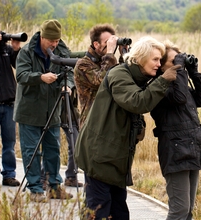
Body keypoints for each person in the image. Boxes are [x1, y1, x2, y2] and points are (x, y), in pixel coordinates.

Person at [74, 36, 180, 220]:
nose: (158, 64)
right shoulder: (119, 74)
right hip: (100, 156)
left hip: (114, 159)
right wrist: (163, 80)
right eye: (155, 59)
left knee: (119, 213)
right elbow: (136, 102)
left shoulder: (137, 78)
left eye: (160, 60)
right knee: (97, 212)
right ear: (140, 58)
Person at [150, 40, 201, 220]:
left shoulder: (181, 84)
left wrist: (194, 73)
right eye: (173, 62)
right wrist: (180, 71)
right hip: (175, 150)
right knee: (179, 209)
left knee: (188, 209)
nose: (179, 66)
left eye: (180, 62)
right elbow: (178, 98)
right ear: (162, 66)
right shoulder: (158, 86)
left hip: (192, 146)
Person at [13, 19, 75, 202]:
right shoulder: (26, 52)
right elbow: (21, 75)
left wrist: (68, 86)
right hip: (29, 111)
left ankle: (55, 187)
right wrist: (40, 77)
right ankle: (35, 189)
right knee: (31, 151)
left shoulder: (62, 51)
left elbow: (70, 72)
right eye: (51, 41)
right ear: (42, 36)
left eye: (57, 41)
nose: (54, 45)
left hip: (52, 110)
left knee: (53, 150)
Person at [74, 24, 129, 128]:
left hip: (110, 121)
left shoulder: (108, 62)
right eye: (106, 42)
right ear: (96, 44)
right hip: (92, 124)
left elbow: (124, 80)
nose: (110, 45)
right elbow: (101, 81)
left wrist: (124, 55)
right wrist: (109, 54)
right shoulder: (83, 64)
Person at [0, 18, 21, 188]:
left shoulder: (5, 49)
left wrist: (16, 50)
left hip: (9, 103)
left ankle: (9, 175)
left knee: (9, 143)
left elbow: (18, 66)